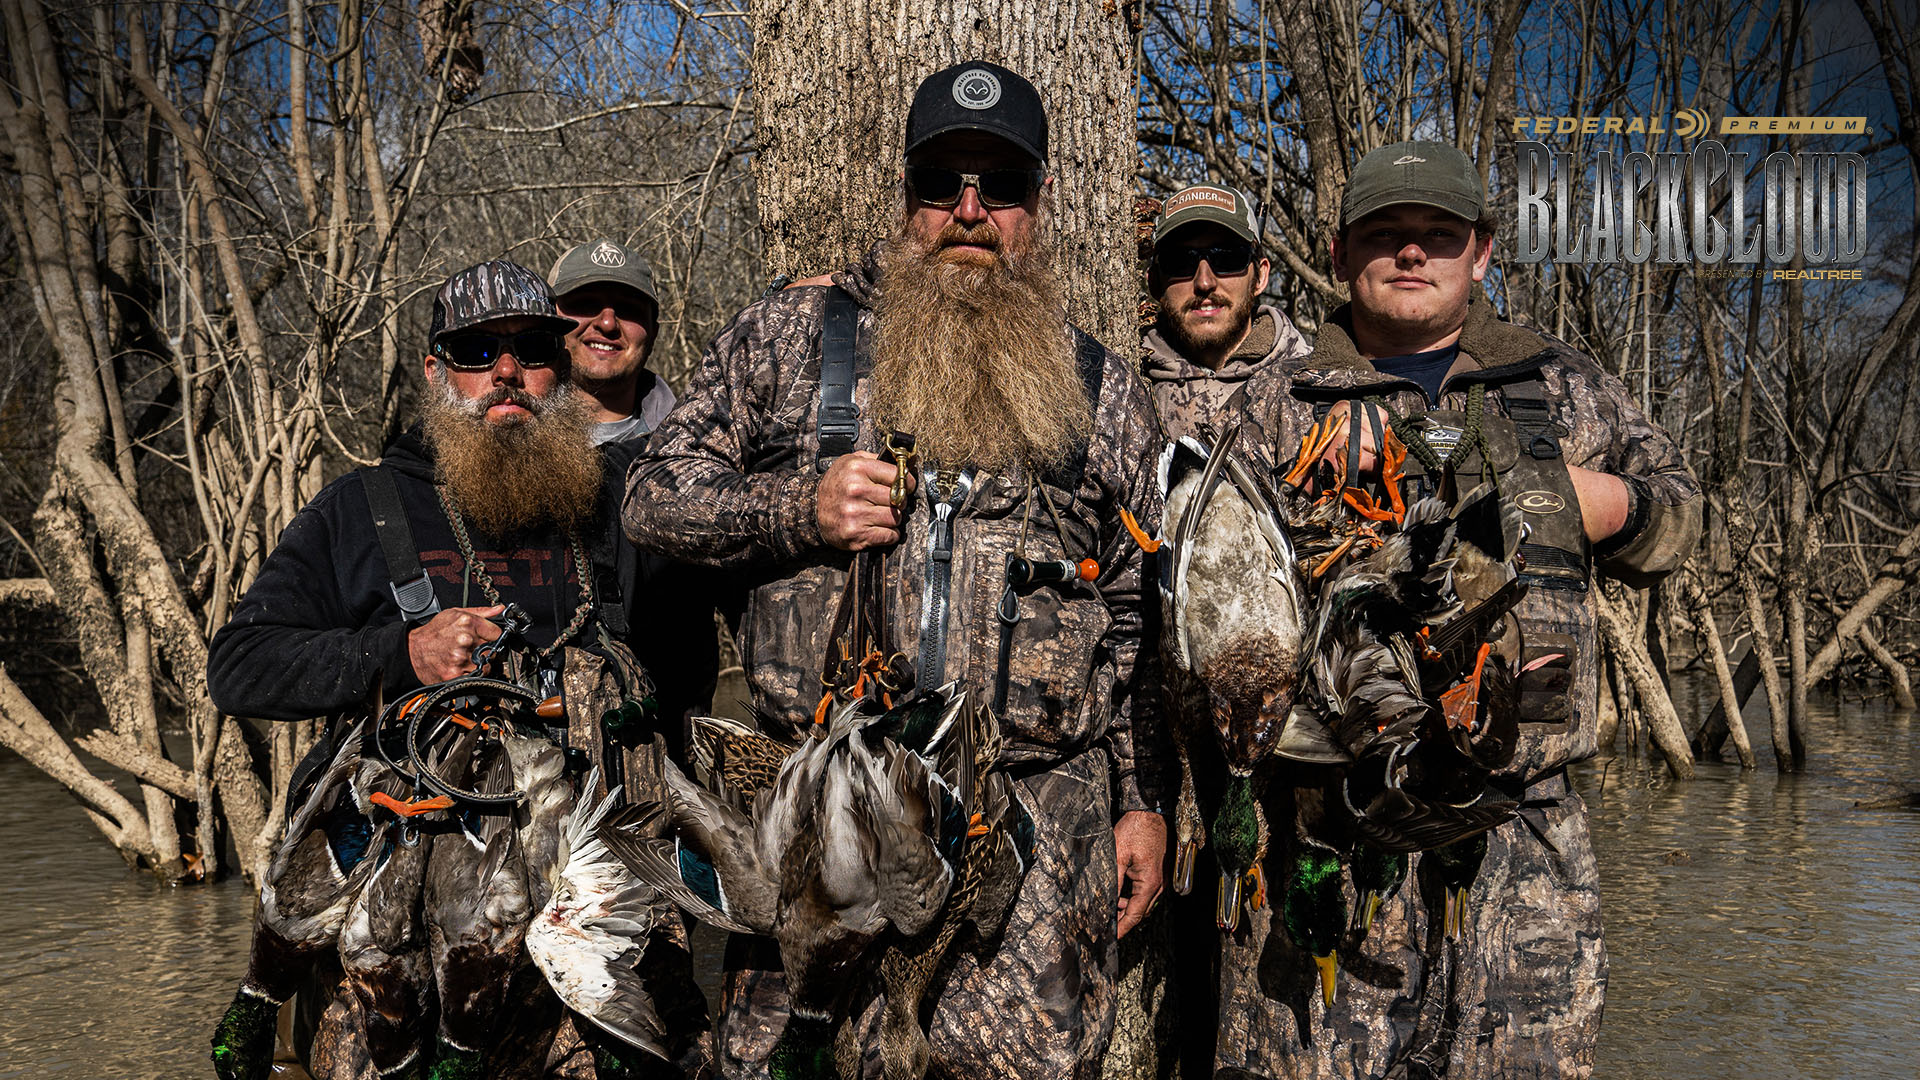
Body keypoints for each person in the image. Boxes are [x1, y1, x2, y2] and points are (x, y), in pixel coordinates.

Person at [624, 60, 1171, 1080]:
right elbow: (652, 496)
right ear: (907, 199)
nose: (969, 211)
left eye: (999, 185)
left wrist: (1143, 799)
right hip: (815, 827)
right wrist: (798, 509)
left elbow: (1140, 605)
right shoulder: (792, 337)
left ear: (1038, 201)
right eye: (941, 184)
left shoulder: (1097, 382)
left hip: (1038, 846)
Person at [1219, 141, 1702, 1079]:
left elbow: (1681, 520)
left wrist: (1607, 503)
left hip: (1527, 841)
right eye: (1386, 235)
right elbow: (1211, 606)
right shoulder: (1277, 404)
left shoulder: (1558, 384)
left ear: (1481, 251)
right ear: (1340, 248)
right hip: (1329, 830)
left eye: (1437, 235)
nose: (1411, 255)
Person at [207, 258, 714, 1077]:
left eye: (531, 348)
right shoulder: (364, 508)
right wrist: (399, 654)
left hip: (598, 938)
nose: (507, 371)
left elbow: (689, 677)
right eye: (477, 352)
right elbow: (237, 667)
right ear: (438, 372)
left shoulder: (621, 503)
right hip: (402, 949)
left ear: (562, 367)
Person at [1141, 183, 1308, 441]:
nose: (1204, 282)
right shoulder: (1127, 384)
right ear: (1154, 282)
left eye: (1228, 257)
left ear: (1261, 276)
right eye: (1180, 261)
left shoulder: (1312, 385)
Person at [548, 236, 679, 445]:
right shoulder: (506, 434)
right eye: (585, 304)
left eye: (629, 309)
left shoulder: (693, 443)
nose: (608, 324)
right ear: (549, 320)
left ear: (653, 333)